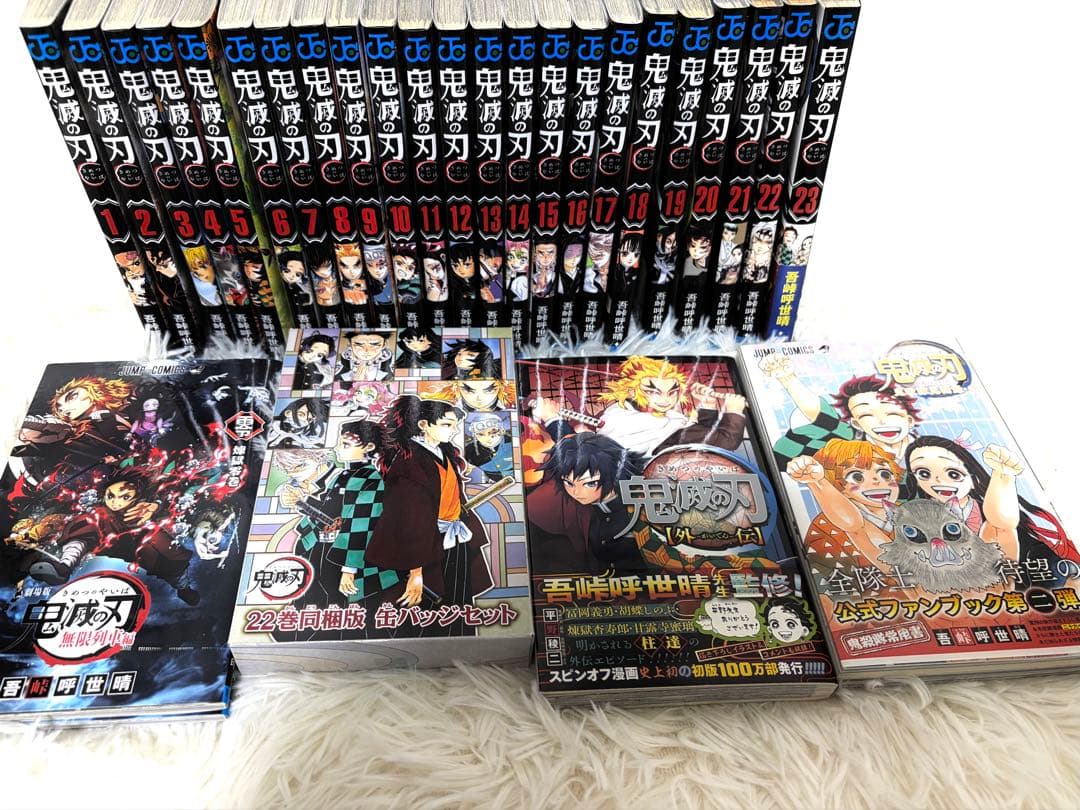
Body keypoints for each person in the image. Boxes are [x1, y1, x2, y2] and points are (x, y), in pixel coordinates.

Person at [364, 397, 493, 627]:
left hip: (452, 538)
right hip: (423, 547)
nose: (453, 431)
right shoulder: (410, 460)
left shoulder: (443, 452)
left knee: (458, 605)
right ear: (423, 424)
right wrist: (416, 571)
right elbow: (410, 519)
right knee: (429, 613)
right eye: (447, 424)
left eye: (454, 425)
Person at [900, 436, 1079, 574]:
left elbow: (1005, 521)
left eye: (953, 474)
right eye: (923, 473)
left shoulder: (994, 513)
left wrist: (1003, 477)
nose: (938, 481)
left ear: (973, 478)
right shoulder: (914, 518)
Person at [532, 356, 746, 457]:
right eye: (653, 391)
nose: (665, 399)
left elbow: (704, 438)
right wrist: (734, 411)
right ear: (632, 390)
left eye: (672, 391)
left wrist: (707, 406)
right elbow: (726, 441)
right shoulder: (634, 421)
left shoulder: (653, 416)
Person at [760, 354, 921, 466]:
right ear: (856, 423)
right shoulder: (847, 442)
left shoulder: (927, 448)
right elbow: (821, 416)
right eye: (866, 414)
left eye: (892, 413)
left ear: (909, 420)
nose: (882, 421)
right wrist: (788, 379)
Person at [786, 439, 902, 576]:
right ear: (836, 485)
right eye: (857, 477)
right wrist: (817, 482)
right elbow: (825, 577)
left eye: (885, 474)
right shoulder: (825, 527)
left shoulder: (912, 512)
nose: (877, 481)